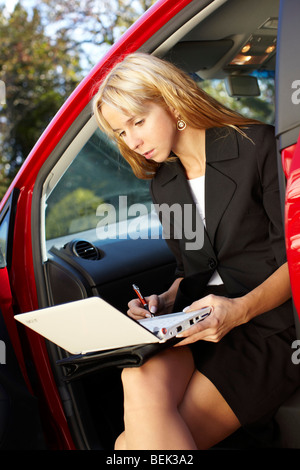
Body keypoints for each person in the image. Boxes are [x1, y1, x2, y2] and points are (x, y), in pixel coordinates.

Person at [93, 52, 300, 450]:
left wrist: (238, 310)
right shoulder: (164, 182)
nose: (132, 141)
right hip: (199, 317)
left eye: (138, 121)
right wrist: (162, 301)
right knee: (134, 376)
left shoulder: (257, 147)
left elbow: (296, 259)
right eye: (120, 132)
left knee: (130, 448)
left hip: (269, 322)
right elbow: (190, 266)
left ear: (171, 101)